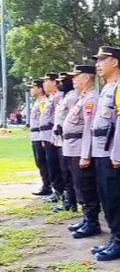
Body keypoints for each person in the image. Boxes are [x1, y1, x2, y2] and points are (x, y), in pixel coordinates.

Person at [90, 46, 120, 261]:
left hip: (113, 153)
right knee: (105, 196)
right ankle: (113, 237)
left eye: (101, 60)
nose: (97, 64)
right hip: (101, 150)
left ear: (114, 62)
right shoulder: (107, 88)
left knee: (116, 196)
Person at [63, 64, 102, 240]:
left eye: (76, 76)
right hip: (72, 147)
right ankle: (86, 218)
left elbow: (88, 128)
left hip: (80, 148)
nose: (73, 80)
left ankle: (92, 221)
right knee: (79, 185)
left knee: (86, 186)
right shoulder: (82, 97)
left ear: (86, 78)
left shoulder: (91, 98)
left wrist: (86, 155)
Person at [51, 72, 79, 213]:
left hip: (69, 139)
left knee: (68, 173)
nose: (60, 84)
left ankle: (71, 201)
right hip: (61, 139)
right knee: (64, 171)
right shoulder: (66, 96)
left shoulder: (73, 96)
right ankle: (69, 200)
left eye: (63, 81)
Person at [39, 73, 65, 203]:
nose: (44, 84)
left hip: (52, 135)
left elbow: (56, 119)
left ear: (54, 82)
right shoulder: (52, 97)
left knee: (55, 165)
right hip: (47, 135)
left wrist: (51, 137)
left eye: (46, 81)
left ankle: (60, 191)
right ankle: (57, 190)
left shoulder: (58, 97)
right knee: (50, 164)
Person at [30, 80, 52, 197]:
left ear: (39, 89)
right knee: (39, 162)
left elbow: (45, 120)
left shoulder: (43, 102)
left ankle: (47, 185)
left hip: (40, 135)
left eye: (33, 87)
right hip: (35, 135)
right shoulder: (37, 101)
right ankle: (46, 184)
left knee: (43, 162)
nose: (31, 90)